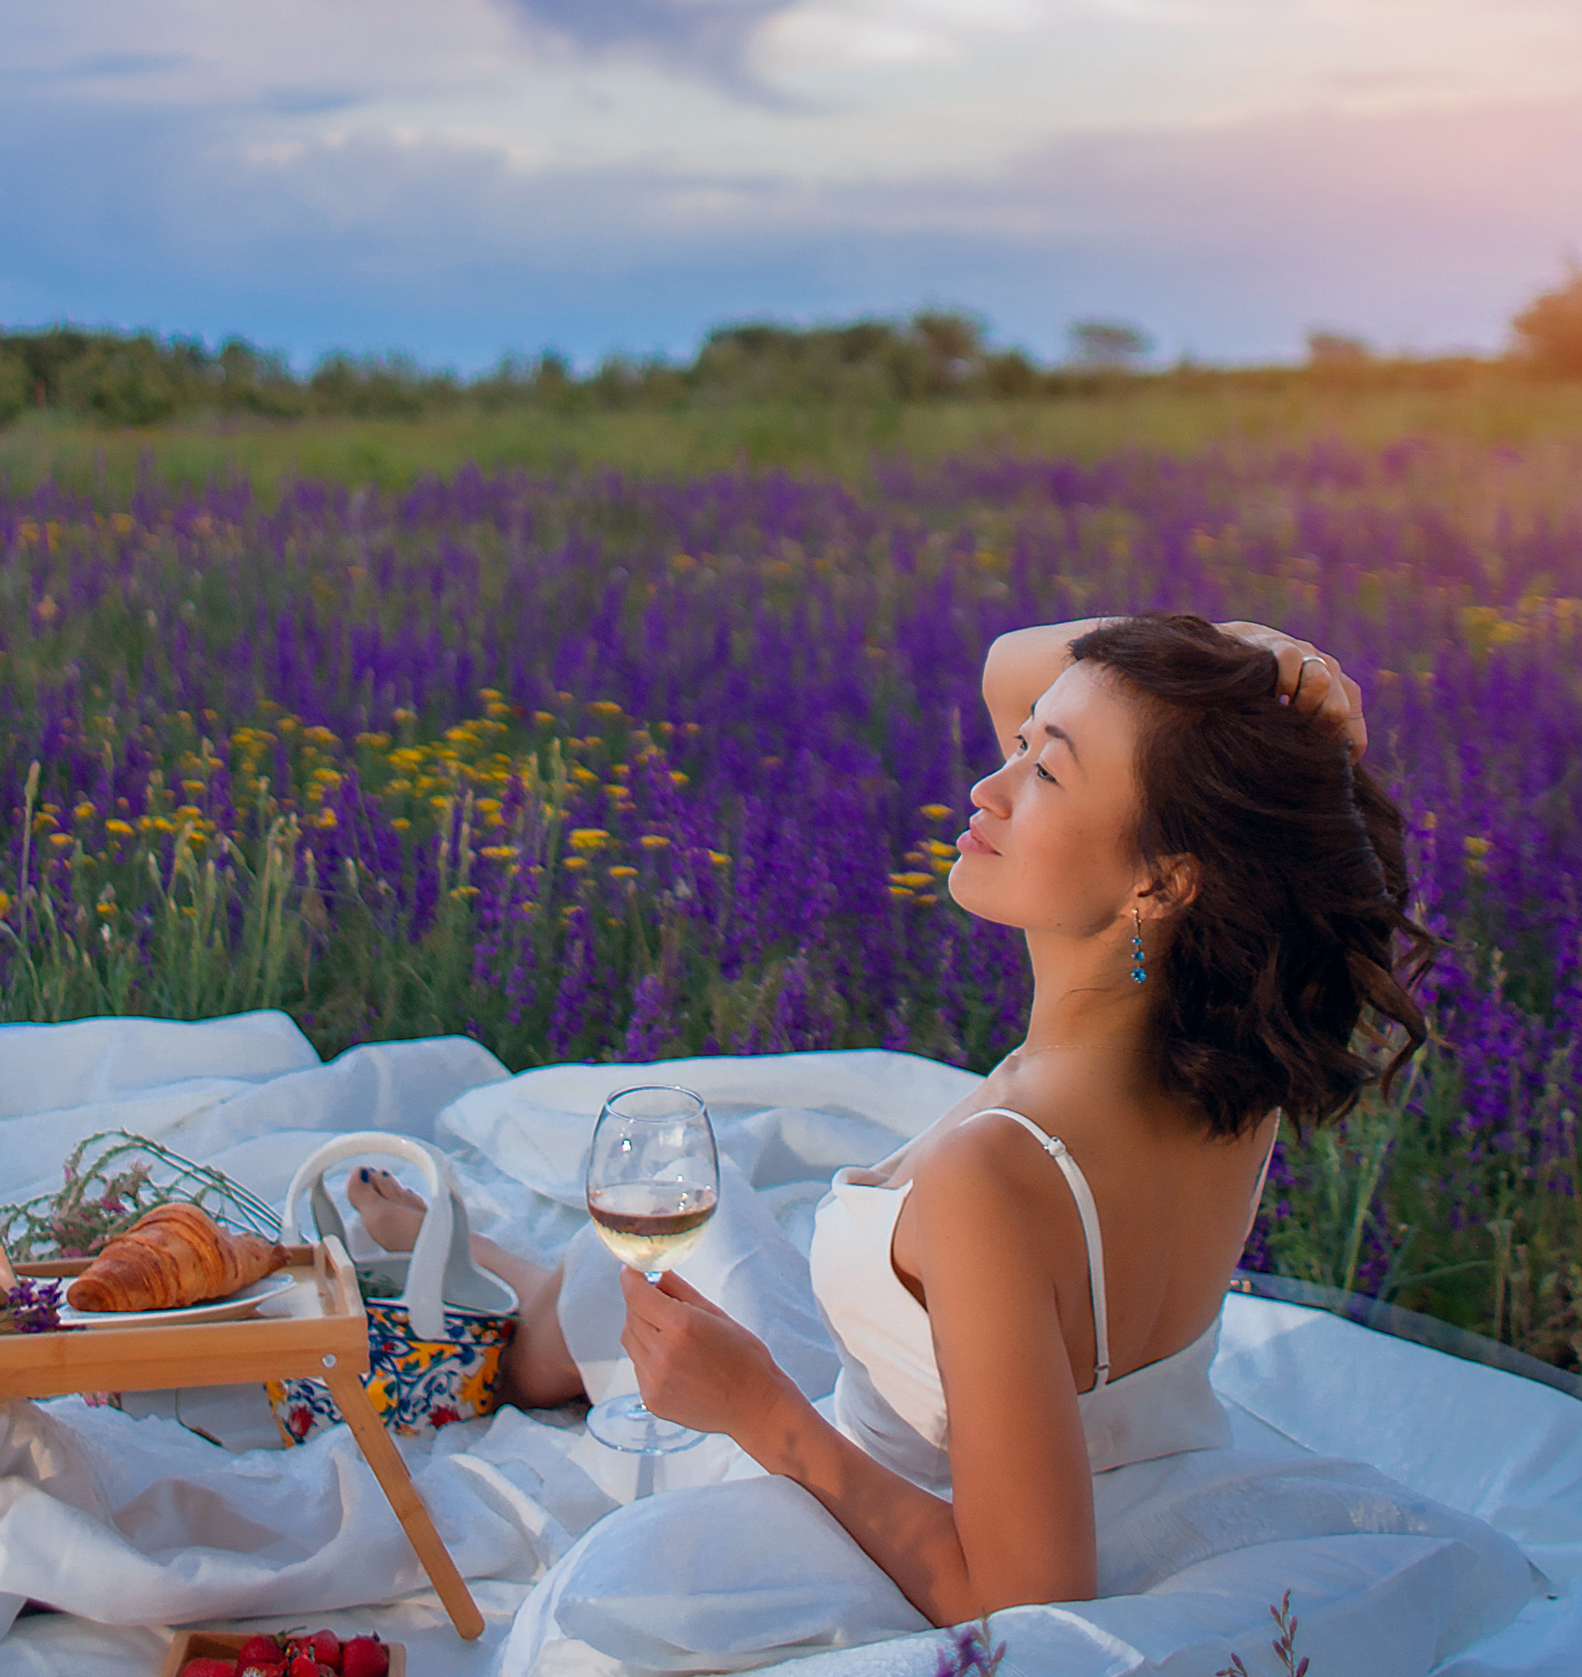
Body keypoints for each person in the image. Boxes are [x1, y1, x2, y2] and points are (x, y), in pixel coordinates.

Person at [351, 609, 1430, 1623]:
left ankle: (503, 1307)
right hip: (1092, 1453)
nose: (986, 784)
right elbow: (1018, 665)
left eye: (1042, 769)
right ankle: (514, 1275)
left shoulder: (994, 1176)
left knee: (664, 1246)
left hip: (871, 1513)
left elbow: (1025, 1595)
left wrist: (759, 1410)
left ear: (1160, 884)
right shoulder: (1228, 1062)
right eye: (1020, 749)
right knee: (690, 1221)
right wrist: (1231, 654)